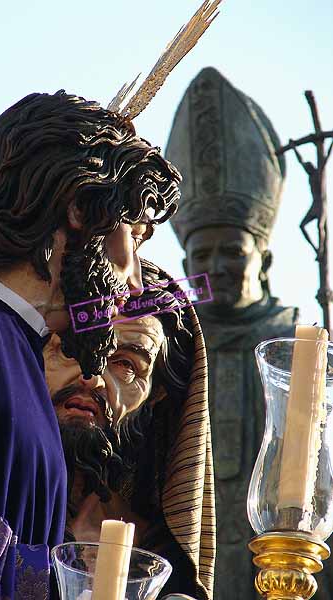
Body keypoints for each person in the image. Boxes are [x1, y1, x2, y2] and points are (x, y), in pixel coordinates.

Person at [0, 90, 181, 598]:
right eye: (134, 234)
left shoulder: (22, 347)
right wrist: (78, 587)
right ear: (80, 210)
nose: (134, 282)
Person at [165, 67, 299, 600]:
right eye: (201, 254)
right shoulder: (167, 343)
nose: (215, 265)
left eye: (232, 250)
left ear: (263, 257)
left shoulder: (300, 343)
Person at [43, 259, 216, 600]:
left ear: (158, 393)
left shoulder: (161, 562)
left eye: (124, 364)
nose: (90, 378)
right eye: (70, 349)